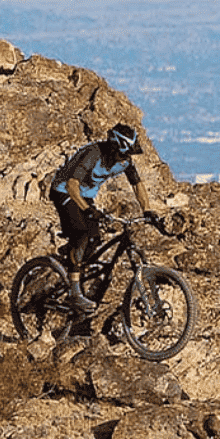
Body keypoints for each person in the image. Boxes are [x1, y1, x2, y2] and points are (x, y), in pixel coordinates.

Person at [49, 122, 157, 312]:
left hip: (85, 196)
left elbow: (137, 185)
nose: (126, 159)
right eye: (123, 154)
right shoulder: (94, 155)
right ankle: (74, 294)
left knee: (94, 239)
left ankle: (72, 259)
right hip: (64, 191)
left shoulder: (125, 161)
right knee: (81, 233)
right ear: (113, 147)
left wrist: (147, 210)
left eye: (128, 155)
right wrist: (86, 209)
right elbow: (72, 185)